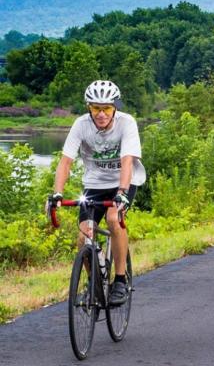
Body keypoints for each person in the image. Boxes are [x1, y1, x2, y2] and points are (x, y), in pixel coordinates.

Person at [48, 80, 146, 306]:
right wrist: (57, 194)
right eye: (95, 108)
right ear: (88, 108)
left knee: (114, 218)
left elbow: (127, 161)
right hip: (94, 184)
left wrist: (121, 193)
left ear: (115, 108)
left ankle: (120, 280)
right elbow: (65, 162)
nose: (101, 114)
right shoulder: (81, 125)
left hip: (124, 181)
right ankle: (95, 284)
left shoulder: (126, 123)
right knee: (84, 236)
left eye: (106, 108)